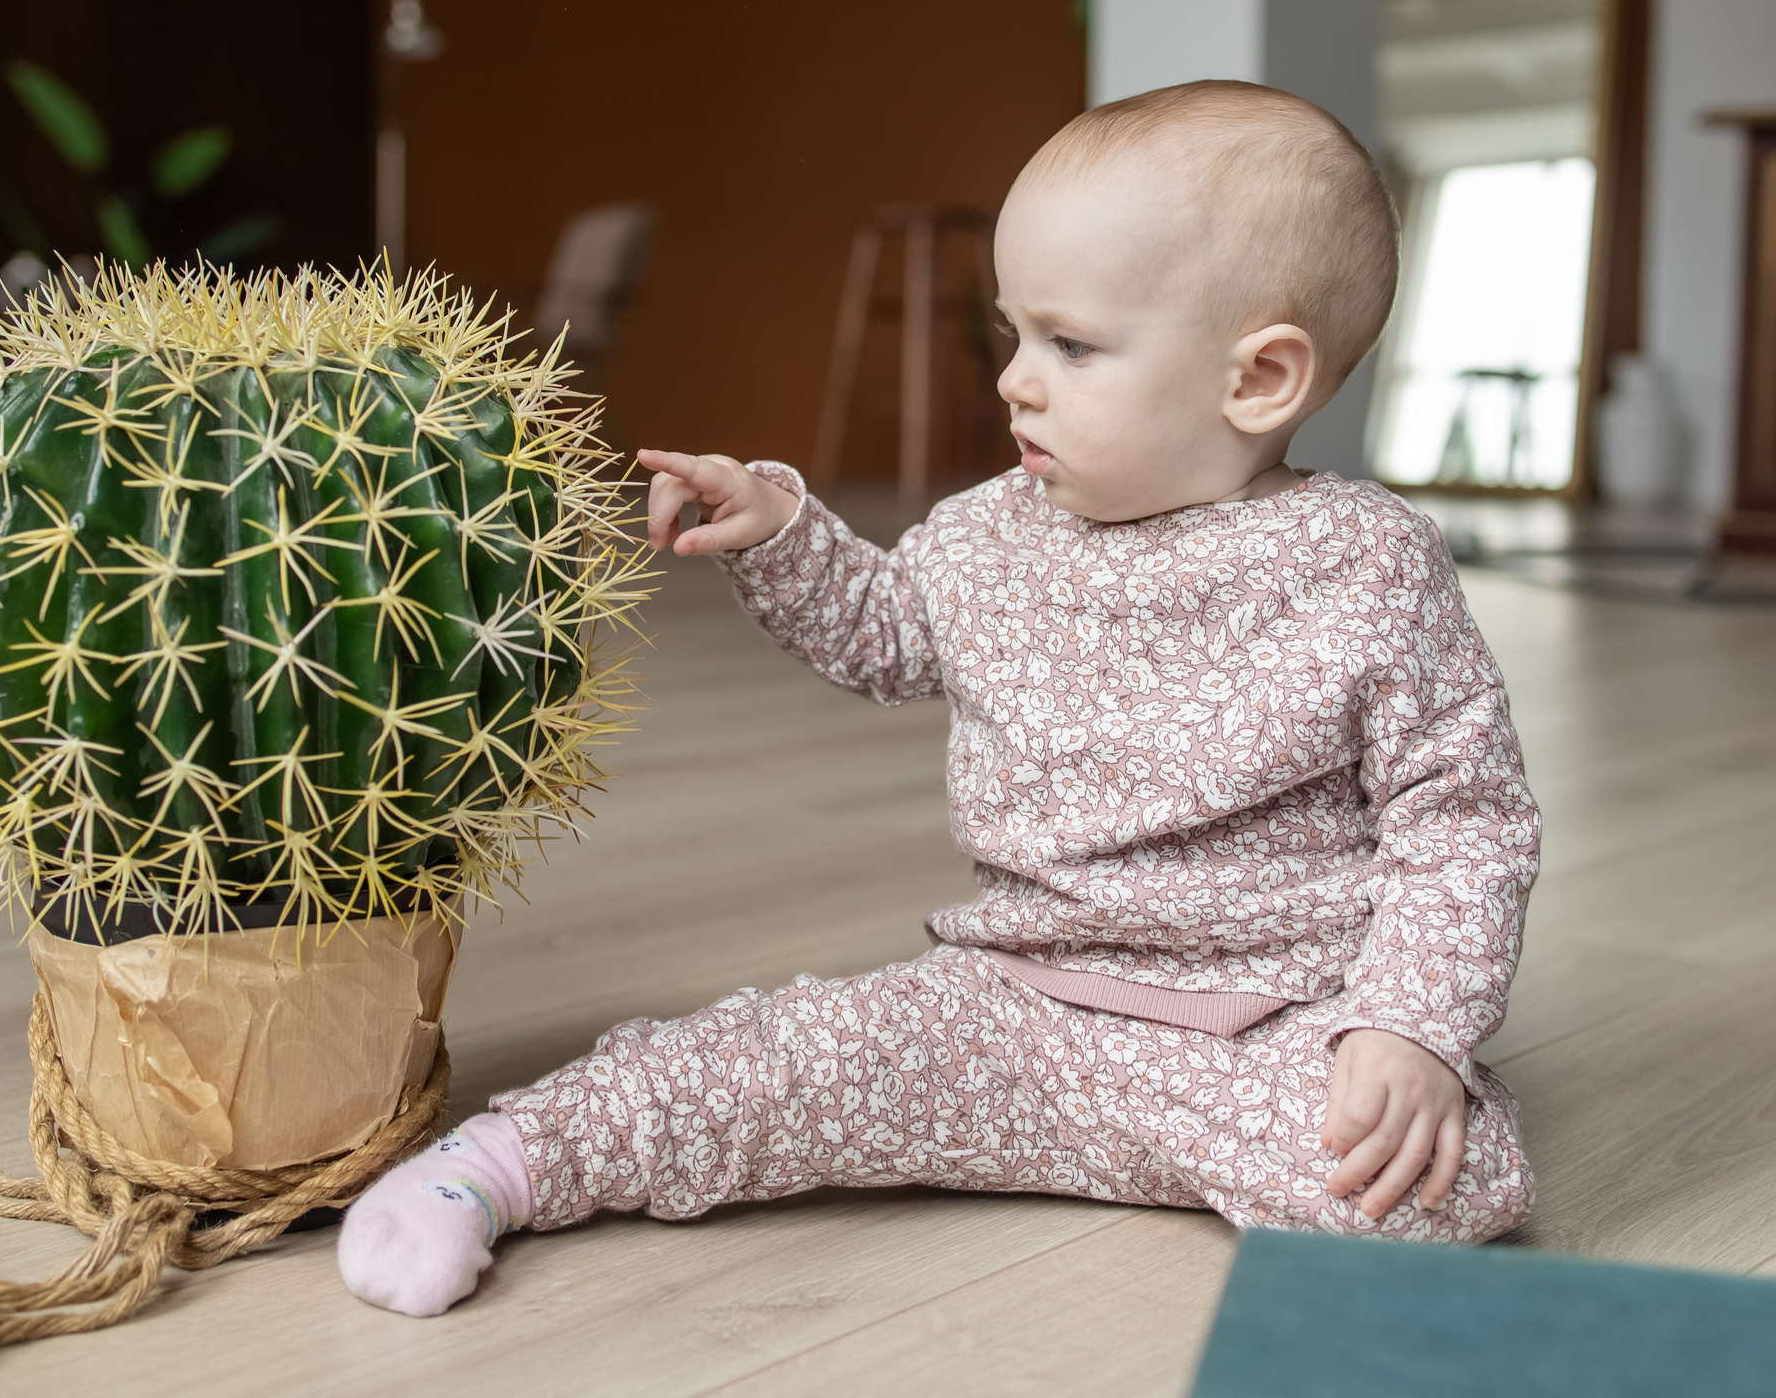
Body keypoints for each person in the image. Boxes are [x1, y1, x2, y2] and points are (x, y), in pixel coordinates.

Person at [337, 79, 1540, 1318]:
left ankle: (1153, 1140)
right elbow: (888, 636)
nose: (1015, 381)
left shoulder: (1364, 564)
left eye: (1069, 346)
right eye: (1013, 333)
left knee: (1436, 1186)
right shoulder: (988, 534)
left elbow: (1463, 821)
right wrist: (778, 530)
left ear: (1259, 379)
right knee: (768, 1066)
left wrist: (1406, 1029)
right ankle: (501, 1166)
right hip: (1015, 1001)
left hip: (1274, 1027)